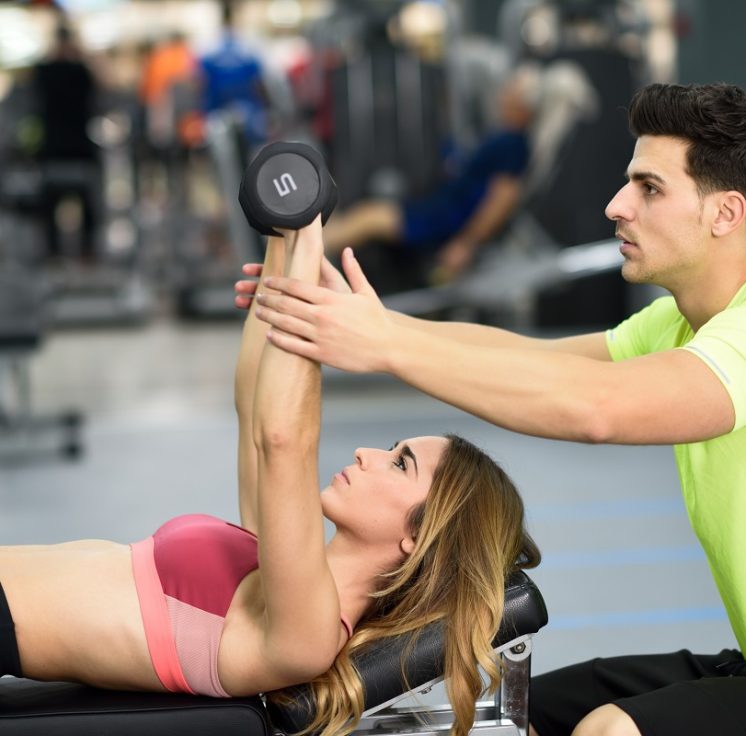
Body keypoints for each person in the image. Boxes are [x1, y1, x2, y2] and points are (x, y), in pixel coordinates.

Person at [239, 81, 746, 735]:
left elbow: (596, 408)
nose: (617, 205)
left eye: (649, 188)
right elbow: (534, 361)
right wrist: (364, 322)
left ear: (725, 213)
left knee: (612, 732)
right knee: (517, 715)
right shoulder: (679, 325)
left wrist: (386, 345)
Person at [0, 217, 539, 736]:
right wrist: (281, 253)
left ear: (418, 536)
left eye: (400, 463)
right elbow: (254, 408)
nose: (367, 454)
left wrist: (308, 242)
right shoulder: (277, 568)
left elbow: (283, 440)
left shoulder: (309, 633)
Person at [319, 64, 542, 282]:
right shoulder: (506, 136)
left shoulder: (513, 143)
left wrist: (465, 244)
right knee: (361, 215)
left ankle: (306, 256)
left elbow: (503, 199)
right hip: (442, 205)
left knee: (368, 219)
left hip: (446, 216)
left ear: (523, 105)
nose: (502, 97)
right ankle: (310, 246)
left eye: (510, 93)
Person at [30, 22, 101, 263]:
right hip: (74, 148)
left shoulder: (45, 71)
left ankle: (57, 252)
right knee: (77, 204)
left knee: (56, 203)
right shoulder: (78, 71)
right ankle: (82, 252)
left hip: (57, 148)